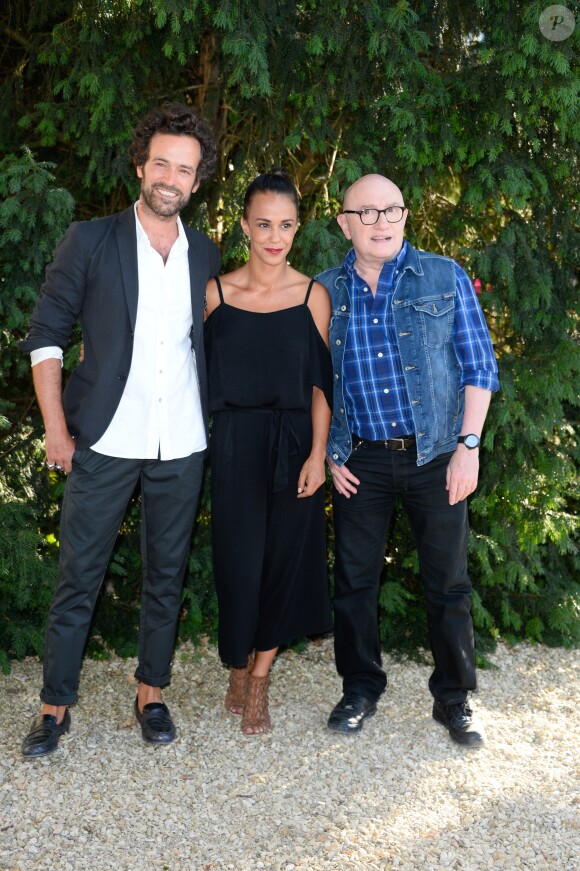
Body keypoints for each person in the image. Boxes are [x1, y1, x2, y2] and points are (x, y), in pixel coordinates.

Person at [19, 103, 221, 757]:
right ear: (141, 165)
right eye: (160, 162)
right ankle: (54, 706)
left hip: (182, 443)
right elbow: (47, 337)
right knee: (79, 575)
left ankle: (151, 692)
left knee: (166, 573)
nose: (170, 176)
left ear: (196, 182)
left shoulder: (209, 255)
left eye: (183, 168)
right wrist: (56, 427)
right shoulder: (92, 239)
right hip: (104, 439)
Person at [317, 174, 499, 747]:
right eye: (366, 213)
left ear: (405, 215)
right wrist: (328, 451)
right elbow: (314, 385)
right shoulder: (324, 291)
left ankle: (454, 698)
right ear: (344, 223)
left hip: (437, 456)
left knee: (447, 582)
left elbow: (480, 368)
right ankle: (361, 687)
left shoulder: (443, 276)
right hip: (361, 461)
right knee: (354, 582)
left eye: (391, 209)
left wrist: (468, 448)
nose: (381, 222)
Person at [204, 170, 333, 736]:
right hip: (233, 443)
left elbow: (321, 387)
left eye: (285, 225)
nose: (274, 237)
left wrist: (319, 455)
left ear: (297, 227)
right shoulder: (216, 294)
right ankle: (236, 663)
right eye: (263, 224)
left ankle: (259, 678)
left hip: (295, 444)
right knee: (237, 564)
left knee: (284, 561)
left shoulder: (313, 296)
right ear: (244, 227)